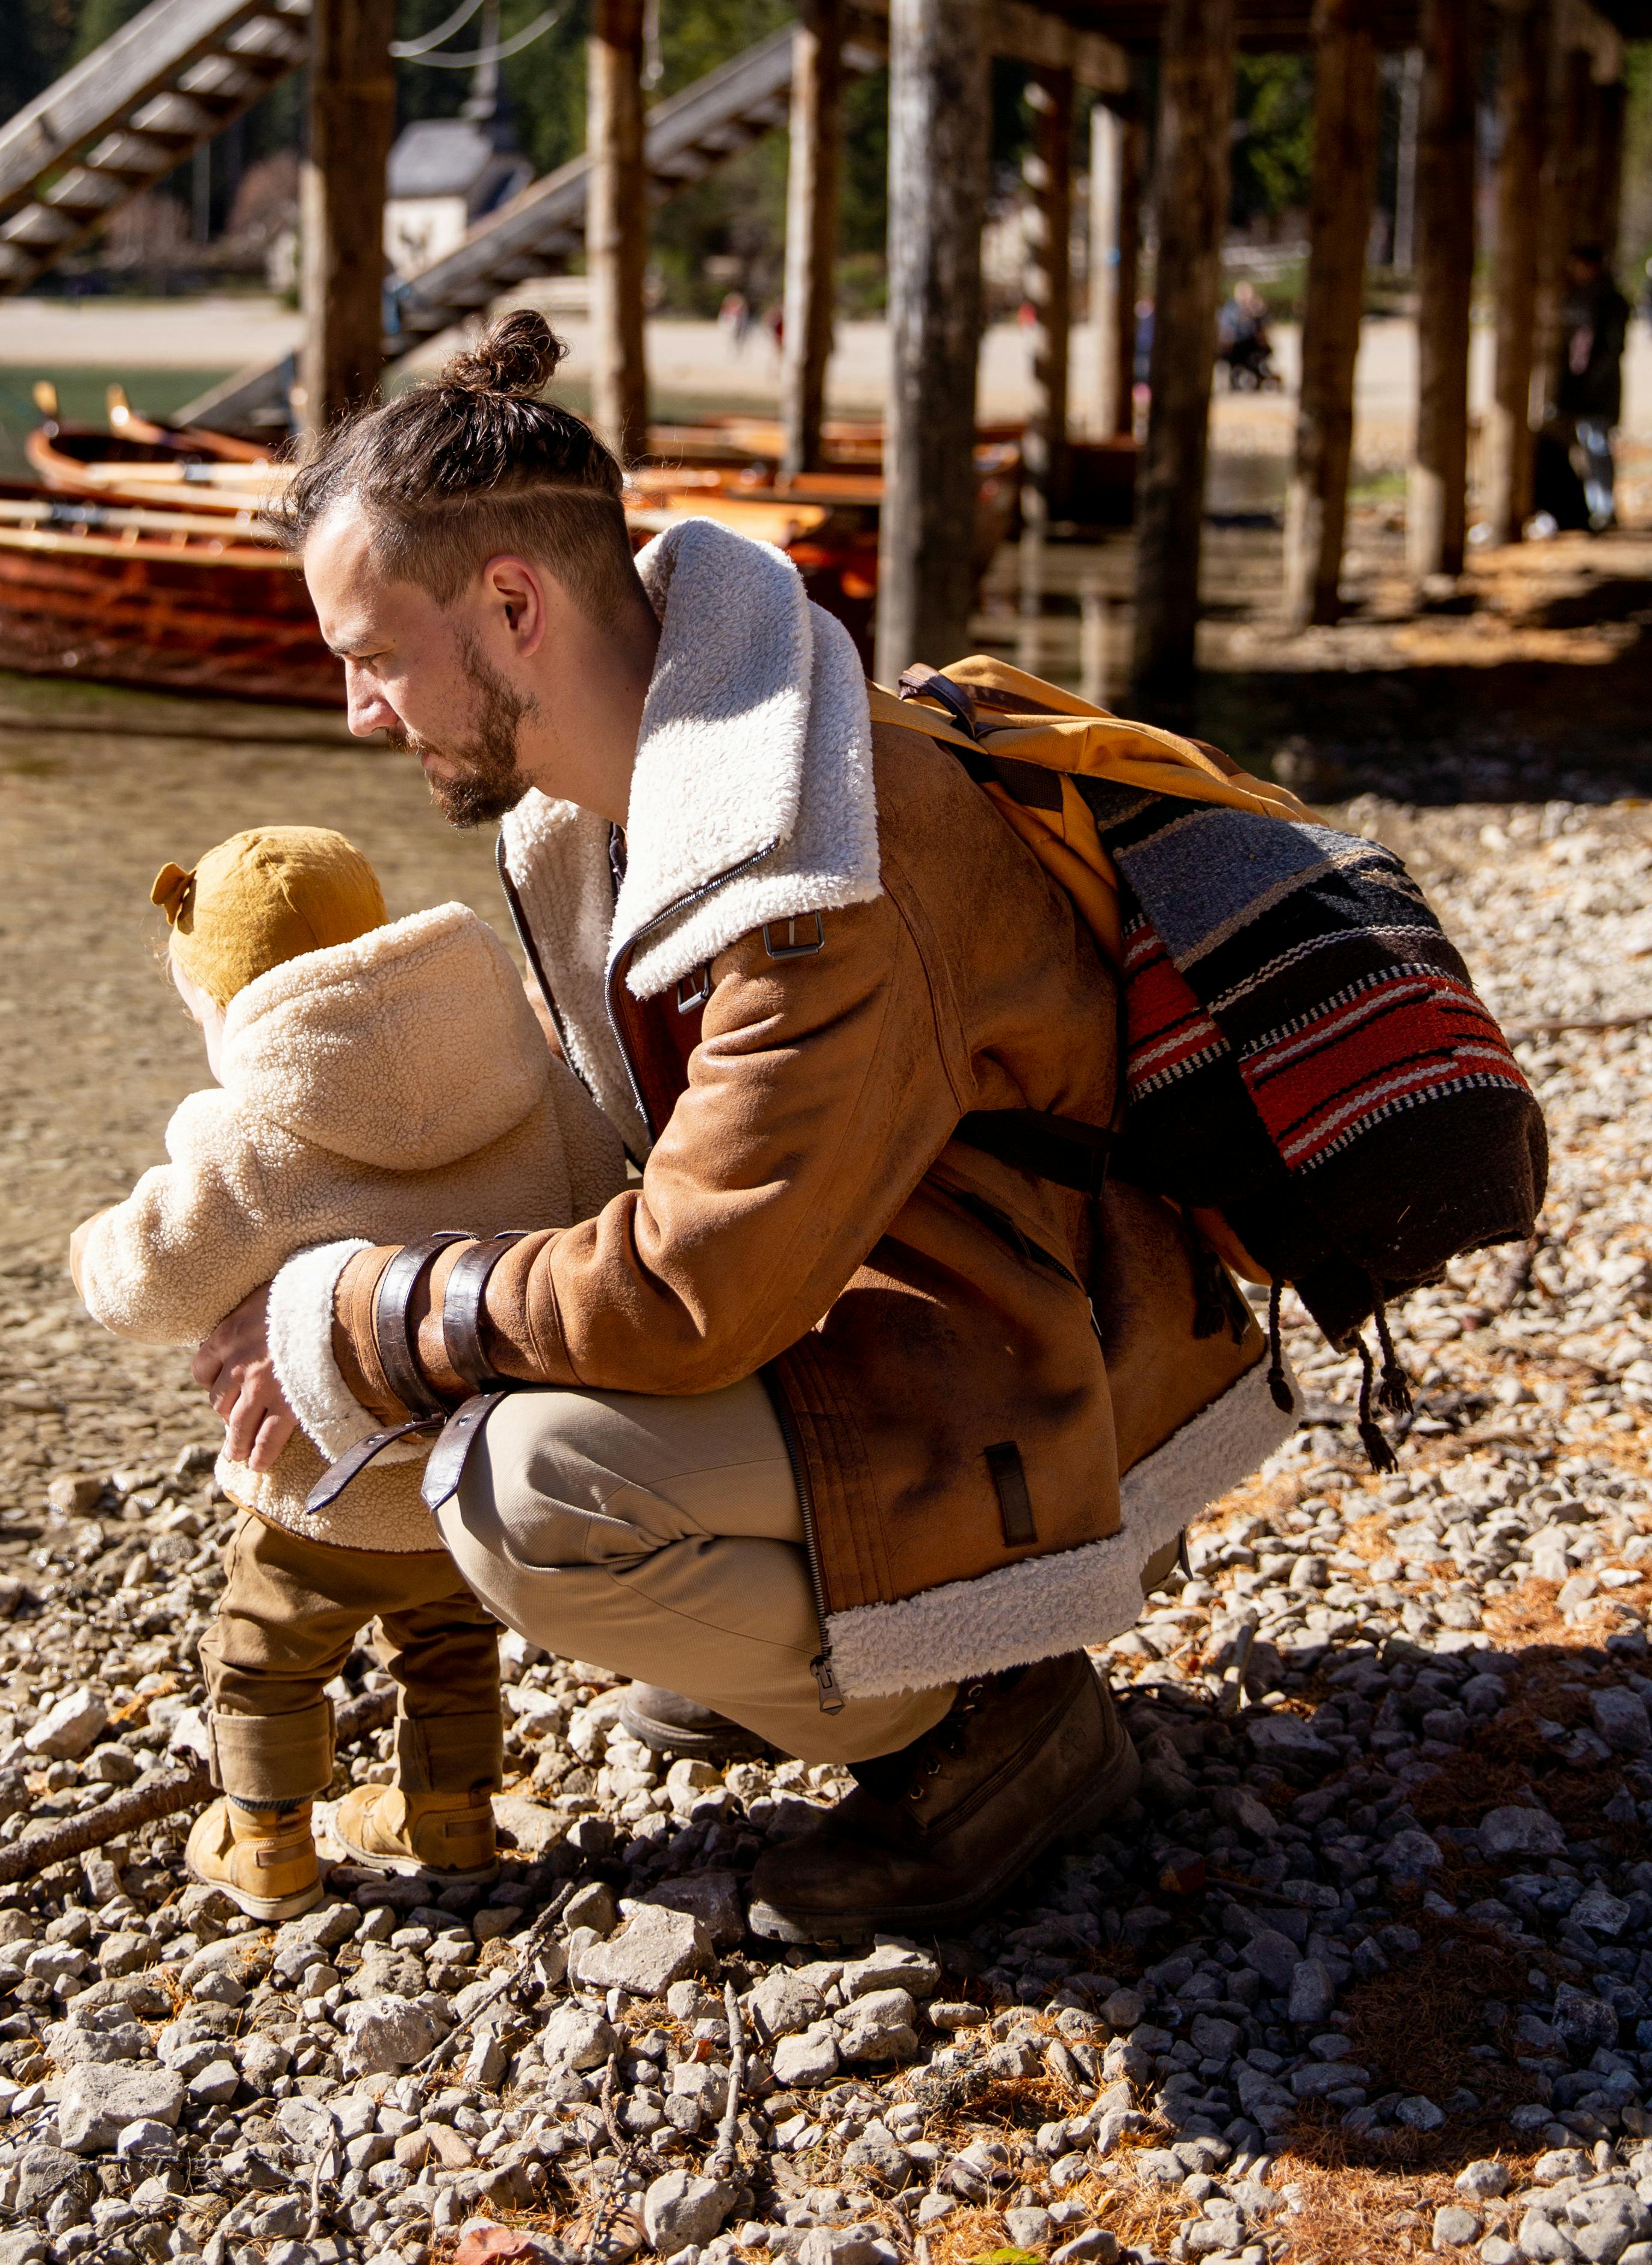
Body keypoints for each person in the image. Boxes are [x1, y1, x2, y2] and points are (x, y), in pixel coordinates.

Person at [190, 313, 1284, 1943]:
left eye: (373, 655)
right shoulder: (611, 800)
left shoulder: (816, 874)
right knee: (498, 1375)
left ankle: (995, 1734)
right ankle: (850, 1630)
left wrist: (358, 1316)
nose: (358, 712)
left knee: (524, 1494)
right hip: (932, 1291)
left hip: (1055, 1356)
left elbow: (695, 1293)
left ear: (512, 606)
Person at [67, 820, 625, 1920]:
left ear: (224, 1006)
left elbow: (149, 1284)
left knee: (265, 1649)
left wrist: (89, 1244)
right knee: (452, 1641)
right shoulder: (520, 1069)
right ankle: (451, 1816)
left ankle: (264, 1839)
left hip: (321, 1478)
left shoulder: (253, 1135)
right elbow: (592, 1194)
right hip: (469, 1460)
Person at [1556, 241, 1629, 531]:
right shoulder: (1579, 297)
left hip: (1599, 388)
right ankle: (1594, 505)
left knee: (1598, 445)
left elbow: (1613, 349)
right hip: (1581, 387)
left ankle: (1605, 507)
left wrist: (1593, 383)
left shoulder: (1610, 300)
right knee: (1587, 445)